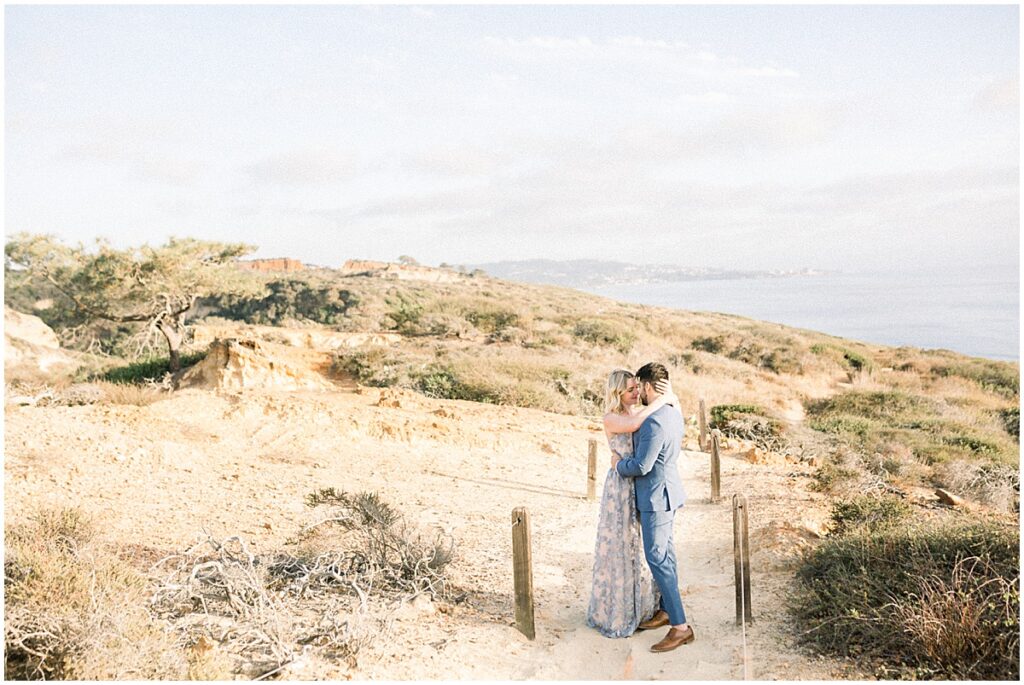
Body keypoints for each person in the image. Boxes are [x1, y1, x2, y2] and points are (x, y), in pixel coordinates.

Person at [586, 368, 677, 638]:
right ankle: (618, 611)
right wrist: (665, 398)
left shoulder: (637, 412)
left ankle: (648, 606)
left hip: (639, 485)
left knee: (642, 548)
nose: (637, 392)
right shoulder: (612, 418)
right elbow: (637, 425)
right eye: (630, 389)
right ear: (618, 393)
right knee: (620, 546)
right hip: (620, 488)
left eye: (638, 387)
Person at [612, 362, 694, 653]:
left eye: (640, 387)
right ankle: (666, 609)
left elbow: (643, 465)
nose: (638, 392)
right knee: (666, 555)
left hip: (656, 498)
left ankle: (681, 628)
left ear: (648, 387)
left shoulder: (653, 421)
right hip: (668, 492)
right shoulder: (673, 412)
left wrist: (619, 465)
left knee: (657, 557)